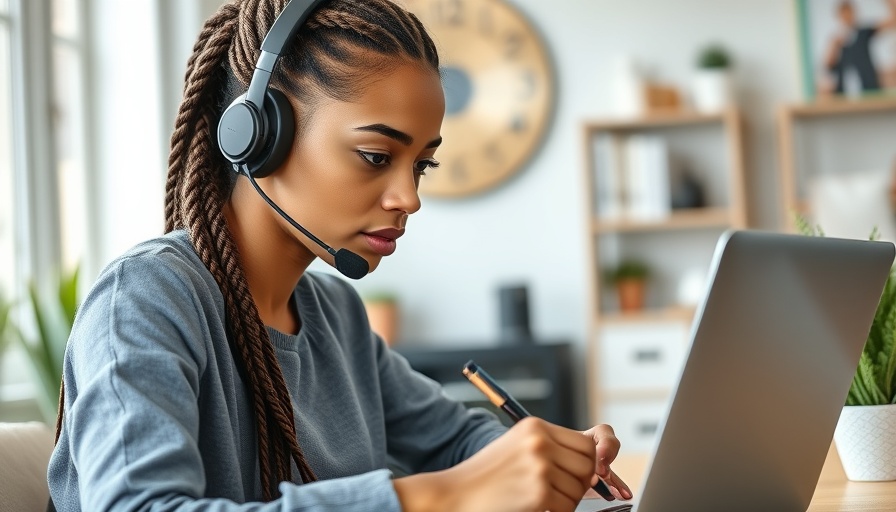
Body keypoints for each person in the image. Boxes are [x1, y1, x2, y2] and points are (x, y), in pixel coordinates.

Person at [46, 0, 632, 510]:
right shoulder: (145, 300)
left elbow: (455, 439)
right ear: (259, 135)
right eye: (377, 156)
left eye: (422, 165)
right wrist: (446, 495)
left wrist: (550, 461)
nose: (410, 198)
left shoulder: (335, 315)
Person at [823, 0, 896, 95]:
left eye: (849, 13)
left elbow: (891, 22)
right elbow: (828, 66)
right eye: (844, 14)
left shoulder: (863, 33)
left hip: (869, 90)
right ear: (839, 16)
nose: (847, 17)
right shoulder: (836, 42)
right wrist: (834, 47)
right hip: (845, 96)